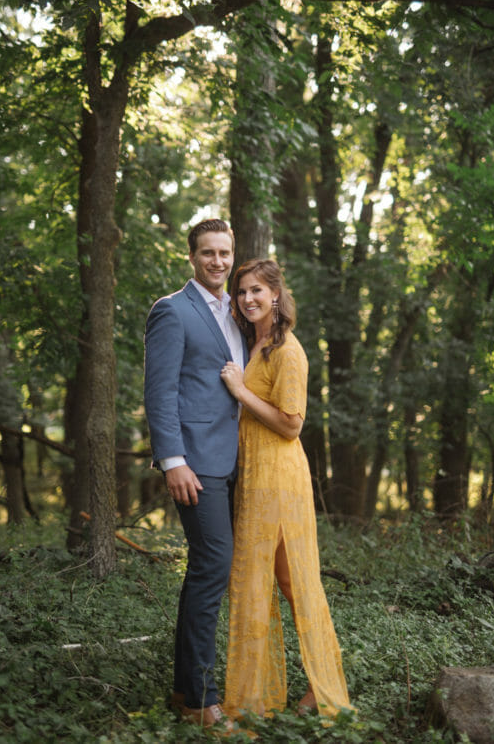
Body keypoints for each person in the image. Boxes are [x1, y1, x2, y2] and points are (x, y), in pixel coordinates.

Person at [220, 258, 353, 721]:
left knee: (281, 581)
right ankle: (292, 687)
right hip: (255, 475)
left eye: (256, 290)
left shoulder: (287, 351)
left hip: (279, 476)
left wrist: (241, 392)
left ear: (276, 294)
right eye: (242, 292)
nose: (248, 299)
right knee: (282, 581)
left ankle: (315, 686)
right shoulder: (254, 343)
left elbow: (293, 424)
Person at [143, 218, 247, 729]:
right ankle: (204, 702)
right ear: (192, 256)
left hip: (234, 462)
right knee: (213, 568)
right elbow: (159, 391)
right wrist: (173, 461)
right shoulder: (172, 310)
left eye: (224, 253)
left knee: (206, 572)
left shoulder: (238, 313)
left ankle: (186, 692)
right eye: (208, 252)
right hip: (196, 465)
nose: (217, 261)